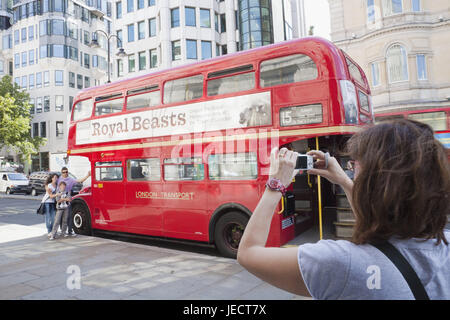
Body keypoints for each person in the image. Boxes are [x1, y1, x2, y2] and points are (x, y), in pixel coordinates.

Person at [237, 119, 450, 300]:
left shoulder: (342, 263)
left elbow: (248, 254)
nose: (352, 172)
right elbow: (378, 218)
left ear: (373, 185)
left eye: (355, 167)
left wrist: (275, 185)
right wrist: (341, 178)